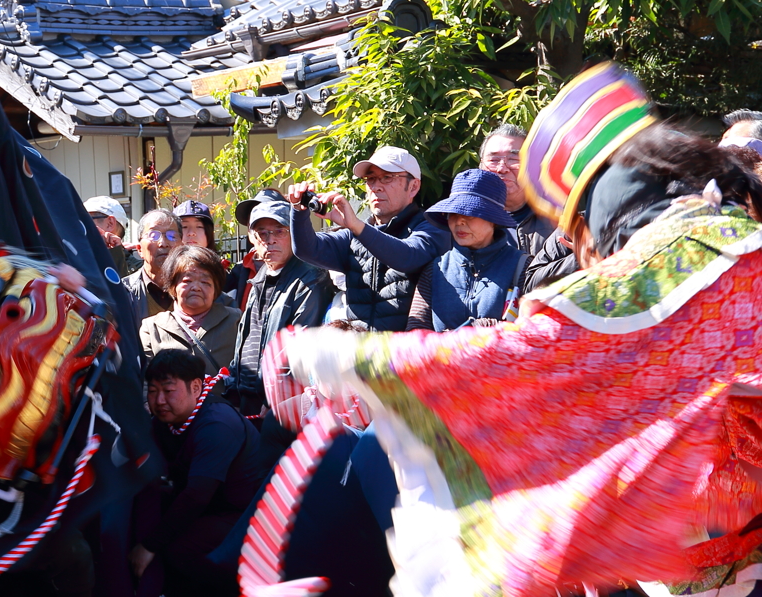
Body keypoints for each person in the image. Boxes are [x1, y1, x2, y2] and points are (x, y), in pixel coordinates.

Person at [277, 63, 762, 595]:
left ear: (614, 205)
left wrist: (346, 359)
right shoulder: (737, 237)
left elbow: (519, 354)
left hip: (714, 507)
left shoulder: (663, 260)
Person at [131, 350, 267, 597]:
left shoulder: (217, 425)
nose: (159, 400)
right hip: (207, 506)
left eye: (168, 391)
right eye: (152, 391)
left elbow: (197, 495)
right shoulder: (167, 419)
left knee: (178, 548)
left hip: (243, 515)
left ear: (195, 387)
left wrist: (149, 545)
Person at [287, 146, 450, 331]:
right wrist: (298, 211)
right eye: (370, 179)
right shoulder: (355, 234)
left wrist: (357, 226)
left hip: (406, 354)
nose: (376, 186)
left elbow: (408, 256)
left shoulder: (431, 227)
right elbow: (306, 249)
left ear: (413, 186)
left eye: (387, 177)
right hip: (360, 353)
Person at [230, 200, 333, 416]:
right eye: (262, 233)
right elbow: (245, 341)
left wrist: (276, 402)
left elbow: (300, 349)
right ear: (252, 238)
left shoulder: (311, 278)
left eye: (280, 231)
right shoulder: (259, 278)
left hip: (279, 407)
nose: (271, 240)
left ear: (294, 234)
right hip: (246, 400)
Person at [406, 169, 527, 331]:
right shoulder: (436, 269)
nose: (459, 222)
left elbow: (533, 330)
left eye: (470, 214)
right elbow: (416, 332)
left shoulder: (523, 267)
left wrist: (485, 328)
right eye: (453, 214)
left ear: (493, 220)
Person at [140, 246, 240, 375]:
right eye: (187, 280)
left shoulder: (236, 321)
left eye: (205, 282)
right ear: (173, 285)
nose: (196, 288)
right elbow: (146, 383)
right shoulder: (152, 327)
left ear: (216, 288)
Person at [478, 123, 555, 257]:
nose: (502, 168)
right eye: (494, 160)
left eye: (513, 159)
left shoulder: (557, 215)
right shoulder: (467, 217)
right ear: (480, 165)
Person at [224, 189, 286, 310]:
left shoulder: (306, 273)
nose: (270, 238)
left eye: (278, 230)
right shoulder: (238, 271)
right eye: (259, 228)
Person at [123, 210, 181, 325]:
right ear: (139, 249)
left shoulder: (197, 289)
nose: (163, 243)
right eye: (153, 235)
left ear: (182, 246)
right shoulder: (124, 291)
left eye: (172, 236)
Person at [84, 195, 141, 277]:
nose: (81, 226)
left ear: (110, 223)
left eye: (86, 220)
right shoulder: (78, 260)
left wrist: (115, 254)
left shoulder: (140, 270)